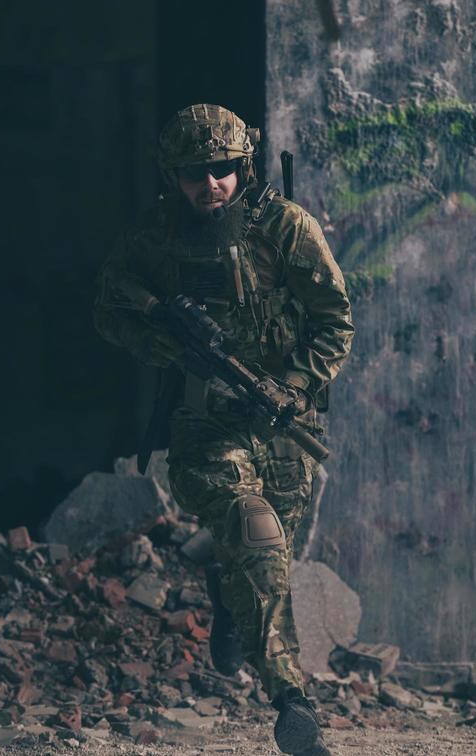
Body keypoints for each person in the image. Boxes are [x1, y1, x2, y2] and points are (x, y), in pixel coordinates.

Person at [94, 104, 354, 756]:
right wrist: (167, 349)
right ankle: (291, 702)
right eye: (192, 172)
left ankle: (228, 597)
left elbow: (334, 323)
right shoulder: (154, 239)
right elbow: (109, 308)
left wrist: (292, 390)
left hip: (283, 425)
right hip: (207, 428)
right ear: (172, 174)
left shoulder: (286, 229)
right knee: (258, 540)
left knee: (267, 567)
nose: (209, 184)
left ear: (243, 166)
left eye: (222, 170)